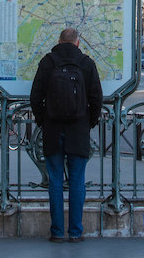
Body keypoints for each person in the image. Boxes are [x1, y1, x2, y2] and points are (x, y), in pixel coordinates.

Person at [29, 27, 103, 243]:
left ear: (59, 41)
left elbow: (35, 97)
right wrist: (89, 122)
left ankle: (57, 232)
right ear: (77, 43)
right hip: (78, 130)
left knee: (55, 181)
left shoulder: (47, 62)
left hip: (53, 129)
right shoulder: (86, 64)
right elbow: (96, 99)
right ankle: (76, 232)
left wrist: (44, 119)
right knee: (77, 181)